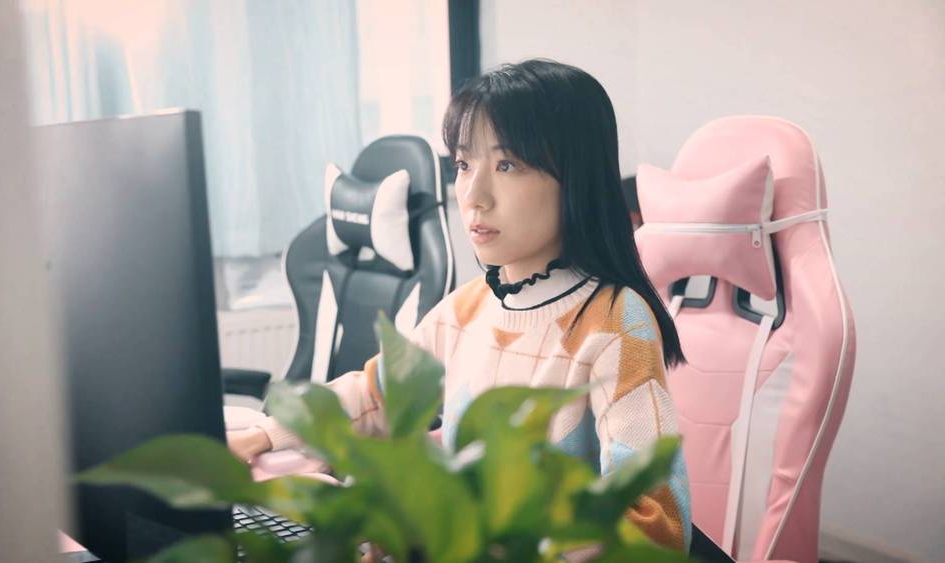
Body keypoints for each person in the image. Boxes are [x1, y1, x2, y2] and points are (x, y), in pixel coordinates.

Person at [228, 59, 691, 552]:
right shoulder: (469, 307)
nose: (473, 195)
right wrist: (262, 436)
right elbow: (375, 394)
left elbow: (656, 523)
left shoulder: (614, 323)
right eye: (464, 165)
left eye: (507, 165)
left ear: (576, 178)